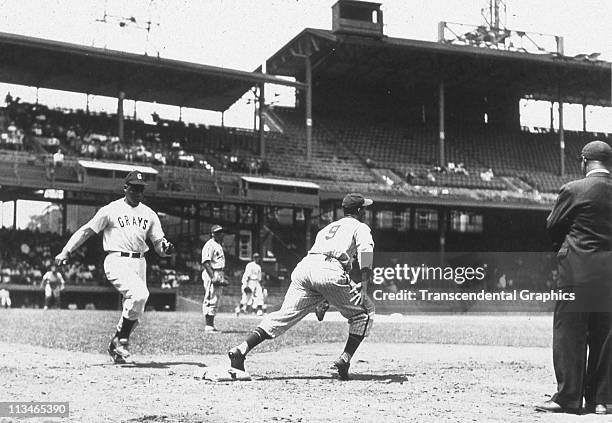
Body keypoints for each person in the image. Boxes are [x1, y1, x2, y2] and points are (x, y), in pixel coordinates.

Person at [227, 193, 375, 380]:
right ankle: (345, 359)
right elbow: (365, 251)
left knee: (282, 316)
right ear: (359, 211)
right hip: (330, 268)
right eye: (365, 209)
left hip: (305, 267)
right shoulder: (360, 227)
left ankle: (241, 349)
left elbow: (319, 272)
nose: (366, 213)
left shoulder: (328, 227)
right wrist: (364, 283)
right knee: (363, 314)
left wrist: (324, 297)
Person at [54, 170, 175, 364]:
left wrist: (166, 248)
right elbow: (86, 231)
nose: (137, 192)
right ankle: (122, 342)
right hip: (116, 259)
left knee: (137, 309)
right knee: (140, 295)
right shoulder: (111, 209)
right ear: (125, 188)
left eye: (140, 189)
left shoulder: (149, 214)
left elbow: (159, 246)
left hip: (140, 261)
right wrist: (66, 250)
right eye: (134, 188)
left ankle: (115, 344)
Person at [535, 140, 612, 415]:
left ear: (584, 161)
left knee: (570, 333)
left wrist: (567, 249)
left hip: (577, 271)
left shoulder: (574, 189)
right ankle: (602, 400)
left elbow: (553, 226)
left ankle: (568, 398)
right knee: (605, 336)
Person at [201, 225, 226, 332]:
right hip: (211, 272)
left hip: (218, 272)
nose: (220, 234)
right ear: (212, 234)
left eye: (221, 232)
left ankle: (211, 324)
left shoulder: (218, 245)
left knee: (216, 299)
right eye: (217, 232)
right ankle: (208, 325)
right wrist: (213, 277)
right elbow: (206, 262)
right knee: (210, 298)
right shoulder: (210, 245)